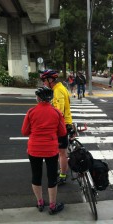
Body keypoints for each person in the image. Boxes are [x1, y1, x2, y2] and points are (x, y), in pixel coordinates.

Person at [21, 86, 67, 215]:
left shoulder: (31, 112)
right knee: (52, 177)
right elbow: (62, 132)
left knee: (36, 175)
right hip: (51, 149)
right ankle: (52, 205)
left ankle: (40, 202)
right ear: (50, 99)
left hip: (34, 148)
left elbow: (24, 132)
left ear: (38, 98)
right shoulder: (56, 113)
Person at [40, 69, 73, 186]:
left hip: (62, 126)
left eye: (44, 80)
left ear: (50, 80)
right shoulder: (60, 88)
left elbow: (59, 113)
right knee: (62, 152)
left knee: (62, 153)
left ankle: (63, 175)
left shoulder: (58, 91)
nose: (43, 83)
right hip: (66, 123)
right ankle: (63, 170)